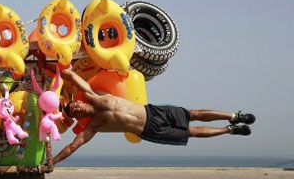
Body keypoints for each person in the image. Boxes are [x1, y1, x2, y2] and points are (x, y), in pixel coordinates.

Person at [51, 67, 255, 165]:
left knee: (194, 113)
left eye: (73, 105)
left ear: (78, 101)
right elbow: (72, 146)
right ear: (77, 117)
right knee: (191, 133)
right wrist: (53, 161)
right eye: (72, 112)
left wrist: (64, 71)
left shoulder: (95, 96)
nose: (75, 108)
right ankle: (229, 130)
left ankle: (233, 115)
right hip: (150, 130)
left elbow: (76, 79)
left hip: (154, 111)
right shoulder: (94, 126)